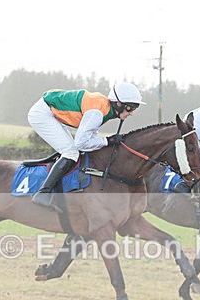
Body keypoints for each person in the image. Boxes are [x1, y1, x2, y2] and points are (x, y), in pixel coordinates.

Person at [27, 82, 145, 212]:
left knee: (75, 152)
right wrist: (108, 140)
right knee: (71, 153)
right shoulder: (97, 112)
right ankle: (43, 193)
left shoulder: (104, 108)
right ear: (118, 103)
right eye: (130, 108)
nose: (132, 113)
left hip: (50, 110)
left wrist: (106, 141)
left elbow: (90, 138)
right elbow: (81, 143)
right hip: (42, 114)